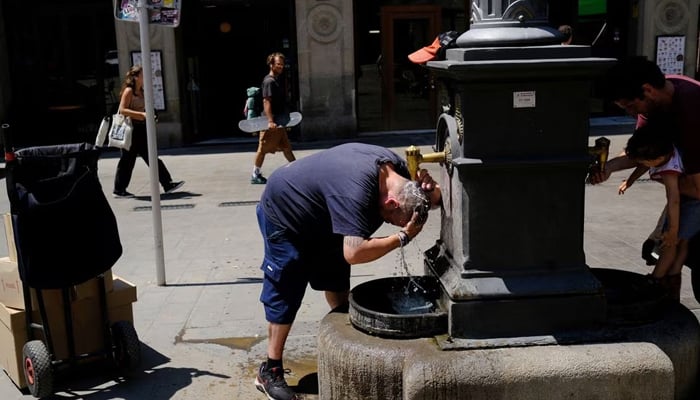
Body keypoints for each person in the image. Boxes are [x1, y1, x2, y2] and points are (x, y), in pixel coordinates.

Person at [253, 142, 441, 400]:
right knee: (286, 288)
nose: (387, 223)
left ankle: (343, 343)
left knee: (337, 281)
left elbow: (427, 197)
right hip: (285, 212)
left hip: (324, 217)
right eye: (392, 220)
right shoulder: (356, 194)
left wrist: (432, 190)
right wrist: (402, 237)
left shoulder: (398, 173)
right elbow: (354, 253)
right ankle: (270, 369)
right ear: (392, 203)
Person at [589, 57, 700, 263]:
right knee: (661, 251)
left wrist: (662, 175)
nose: (632, 113)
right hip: (688, 186)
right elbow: (643, 151)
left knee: (677, 250)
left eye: (631, 106)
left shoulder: (691, 110)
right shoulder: (656, 104)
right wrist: (610, 167)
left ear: (647, 90)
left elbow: (696, 189)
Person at [617, 124, 700, 300]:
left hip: (692, 204)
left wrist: (672, 230)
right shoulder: (661, 153)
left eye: (646, 162)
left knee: (670, 242)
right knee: (683, 243)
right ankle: (673, 274)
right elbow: (643, 165)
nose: (643, 164)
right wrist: (630, 180)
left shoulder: (669, 170)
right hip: (691, 201)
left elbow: (674, 200)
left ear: (659, 158)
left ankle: (656, 279)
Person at [113, 65, 184, 197]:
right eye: (143, 74)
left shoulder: (142, 91)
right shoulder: (129, 91)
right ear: (136, 77)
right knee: (127, 161)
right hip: (131, 130)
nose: (146, 77)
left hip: (141, 129)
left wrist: (151, 115)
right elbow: (122, 110)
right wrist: (142, 115)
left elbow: (144, 108)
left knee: (151, 158)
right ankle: (119, 190)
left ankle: (167, 183)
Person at [251, 52, 296, 184]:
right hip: (270, 122)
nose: (281, 67)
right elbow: (266, 101)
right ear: (271, 65)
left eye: (282, 65)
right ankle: (255, 174)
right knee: (262, 149)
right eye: (278, 64)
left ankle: (298, 170)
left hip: (279, 122)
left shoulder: (277, 80)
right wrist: (270, 121)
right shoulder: (269, 81)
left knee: (287, 148)